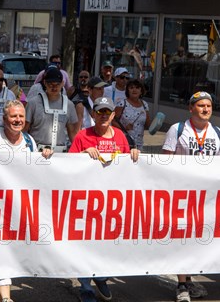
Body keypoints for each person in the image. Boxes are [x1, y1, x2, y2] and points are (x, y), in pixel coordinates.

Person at [68, 96, 138, 302]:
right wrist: (82, 153)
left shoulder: (120, 137)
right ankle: (86, 287)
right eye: (99, 112)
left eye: (107, 112)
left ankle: (101, 276)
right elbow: (67, 166)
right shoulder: (83, 136)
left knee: (107, 244)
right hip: (87, 200)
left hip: (112, 202)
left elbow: (129, 165)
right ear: (93, 114)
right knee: (85, 244)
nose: (104, 115)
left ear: (113, 115)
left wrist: (134, 154)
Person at [162, 91, 220, 302]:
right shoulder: (178, 129)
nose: (205, 109)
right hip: (182, 194)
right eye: (200, 106)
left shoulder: (217, 132)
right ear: (191, 108)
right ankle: (181, 284)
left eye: (208, 106)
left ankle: (188, 280)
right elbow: (165, 162)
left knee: (197, 240)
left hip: (207, 197)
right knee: (183, 239)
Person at [0, 100, 49, 302]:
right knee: (0, 248)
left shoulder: (30, 142)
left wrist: (45, 157)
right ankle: (5, 298)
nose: (17, 120)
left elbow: (36, 175)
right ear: (4, 119)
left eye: (20, 116)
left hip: (20, 208)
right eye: (13, 116)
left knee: (13, 250)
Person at [25, 66, 78, 152]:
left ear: (62, 84)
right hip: (37, 152)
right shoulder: (33, 103)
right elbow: (25, 130)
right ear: (45, 83)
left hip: (60, 154)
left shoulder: (69, 105)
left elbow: (72, 133)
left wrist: (79, 152)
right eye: (50, 84)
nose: (54, 87)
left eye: (57, 84)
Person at [112, 79, 152, 149]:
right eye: (131, 88)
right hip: (123, 142)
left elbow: (148, 125)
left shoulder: (145, 105)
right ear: (127, 90)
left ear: (141, 91)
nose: (134, 90)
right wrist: (124, 127)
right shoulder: (122, 103)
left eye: (137, 88)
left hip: (138, 144)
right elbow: (112, 121)